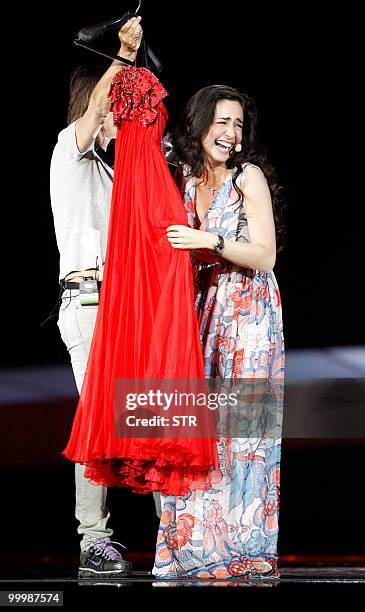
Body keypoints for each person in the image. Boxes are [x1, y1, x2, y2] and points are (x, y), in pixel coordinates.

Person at [152, 85, 285, 579]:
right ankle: (195, 549)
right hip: (201, 311)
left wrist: (208, 239)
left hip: (249, 317)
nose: (231, 134)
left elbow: (265, 255)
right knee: (198, 430)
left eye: (238, 125)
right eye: (222, 122)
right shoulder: (183, 176)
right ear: (200, 124)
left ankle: (243, 549)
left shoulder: (246, 178)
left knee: (244, 437)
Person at [50, 16, 143, 577]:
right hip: (90, 302)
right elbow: (94, 113)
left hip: (126, 306)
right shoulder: (70, 151)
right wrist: (125, 57)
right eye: (113, 108)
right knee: (101, 415)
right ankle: (92, 538)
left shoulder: (115, 175)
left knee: (147, 414)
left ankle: (175, 530)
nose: (118, 118)